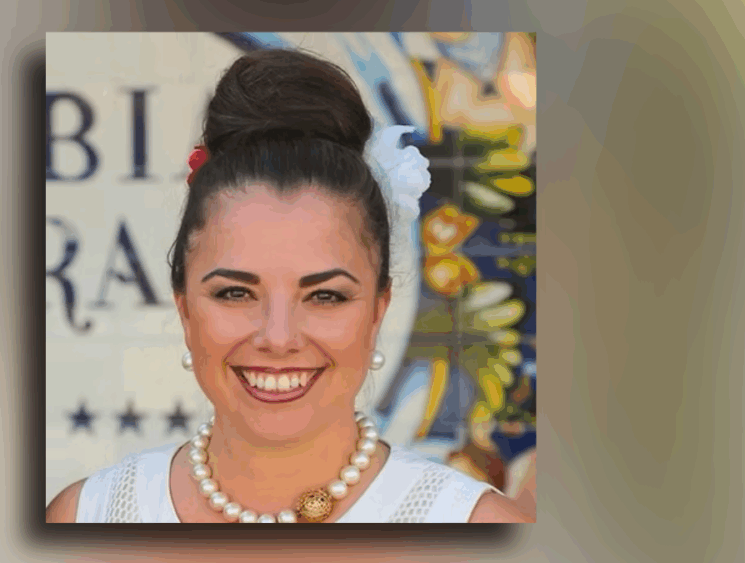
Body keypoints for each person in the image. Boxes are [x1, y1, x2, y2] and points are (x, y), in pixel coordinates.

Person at [47, 48, 533, 524]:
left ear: (378, 310)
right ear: (185, 309)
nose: (278, 338)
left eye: (325, 296)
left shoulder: (472, 529)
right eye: (235, 293)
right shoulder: (89, 516)